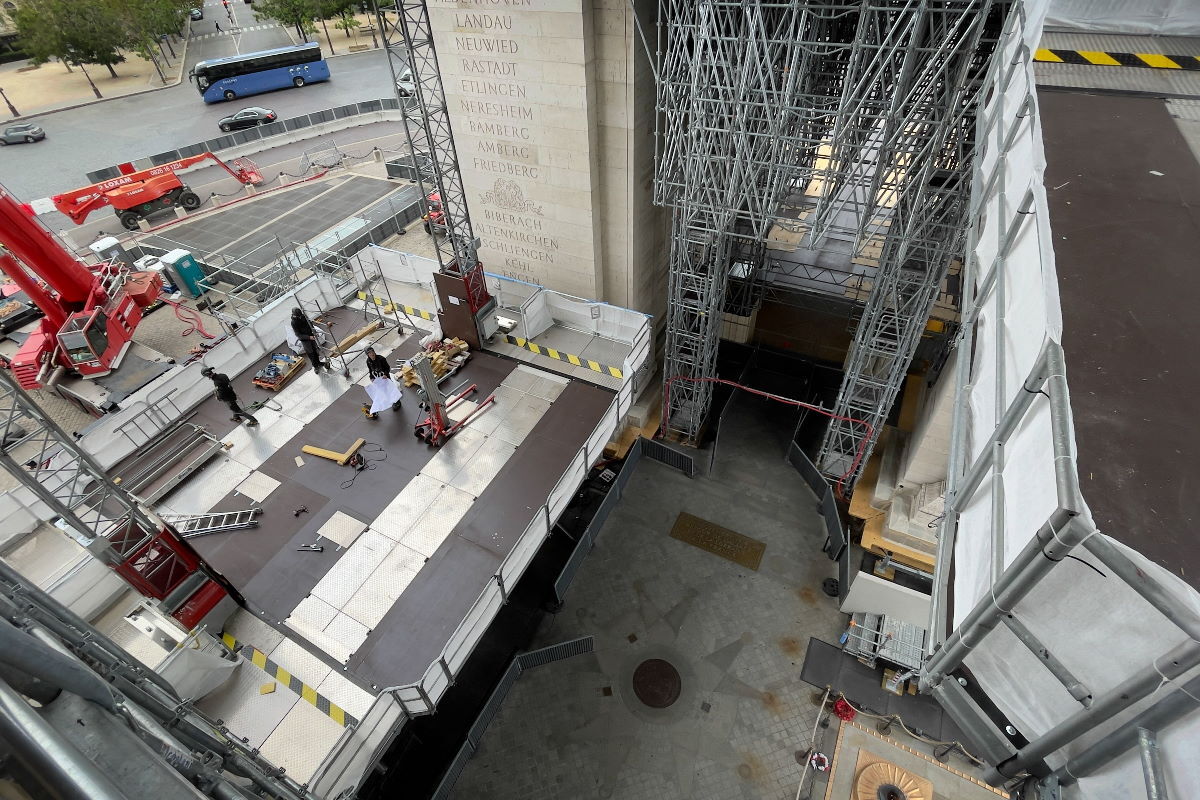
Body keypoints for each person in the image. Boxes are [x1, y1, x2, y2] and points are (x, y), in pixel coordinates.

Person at [290, 308, 330, 373]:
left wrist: (314, 332)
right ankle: (315, 366)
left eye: (300, 315)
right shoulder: (293, 322)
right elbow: (298, 334)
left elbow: (310, 324)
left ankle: (319, 363)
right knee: (310, 352)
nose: (300, 317)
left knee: (315, 350)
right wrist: (309, 337)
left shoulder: (303, 316)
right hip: (304, 339)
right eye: (299, 316)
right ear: (294, 315)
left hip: (310, 334)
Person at [364, 347, 402, 412]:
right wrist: (371, 377)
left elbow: (387, 368)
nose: (372, 354)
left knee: (391, 389)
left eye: (372, 352)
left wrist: (385, 374)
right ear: (368, 355)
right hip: (378, 378)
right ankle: (390, 401)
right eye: (370, 353)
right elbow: (370, 370)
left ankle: (397, 402)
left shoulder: (381, 359)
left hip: (385, 377)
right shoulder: (368, 361)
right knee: (384, 391)